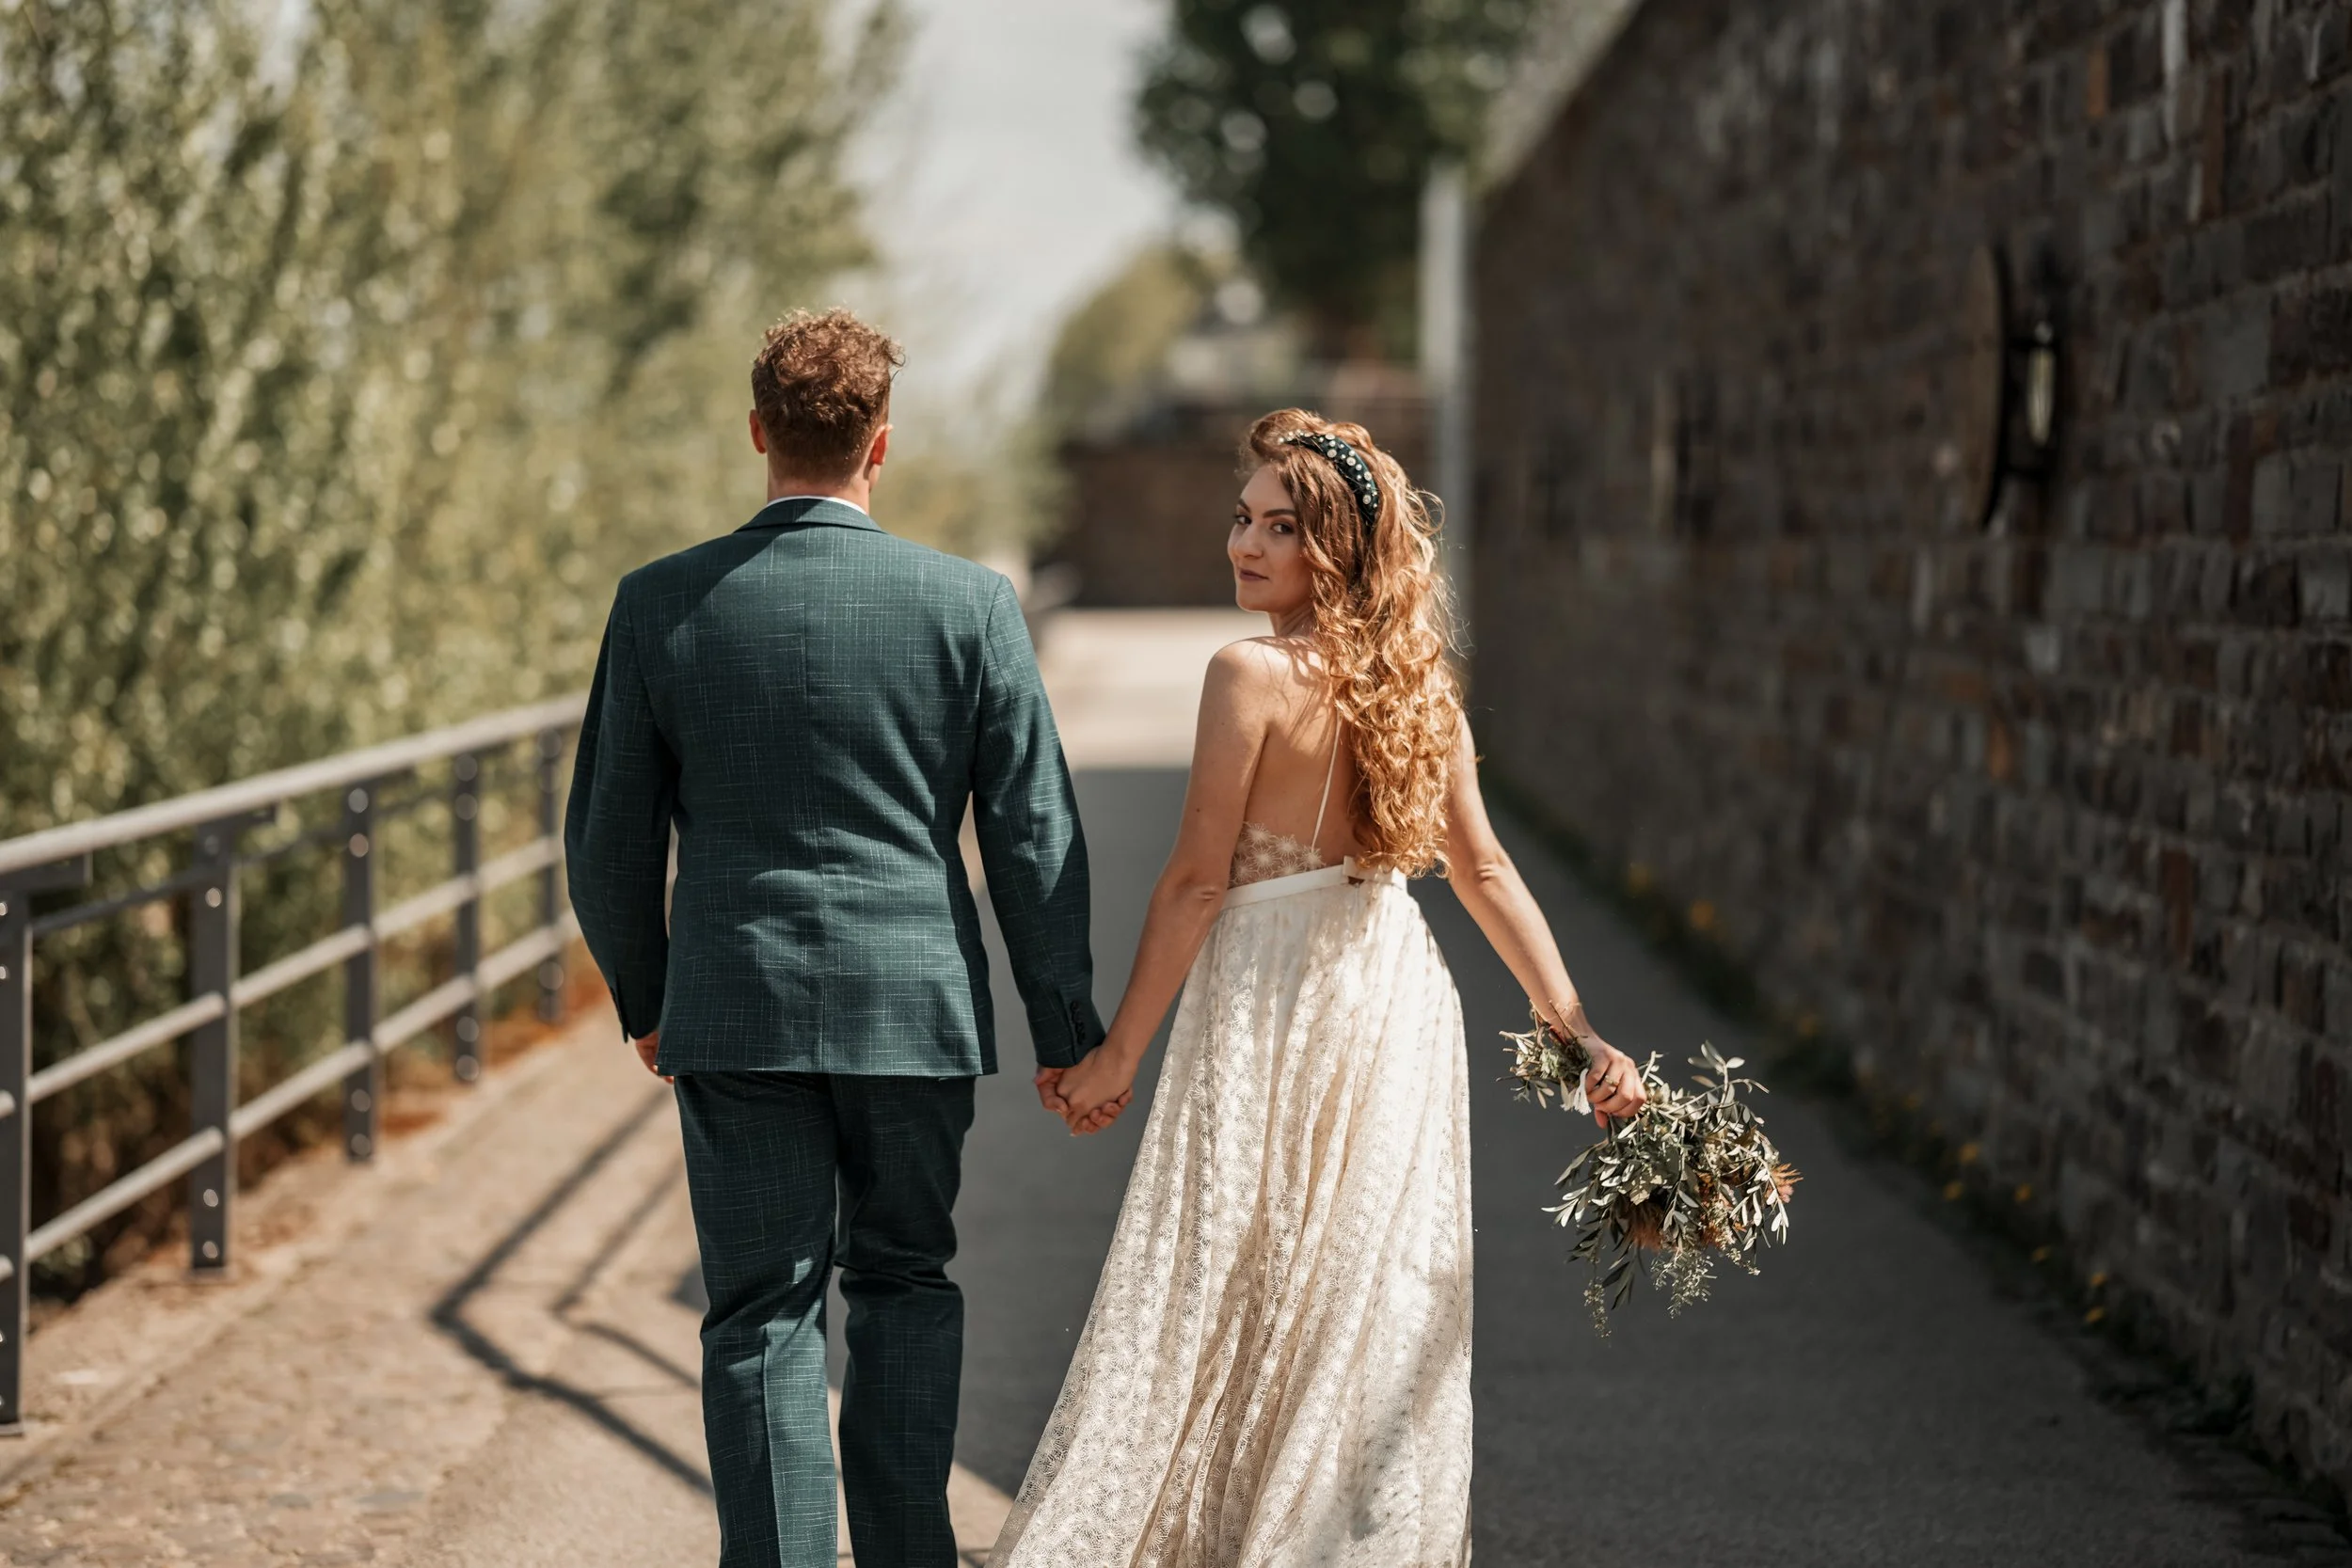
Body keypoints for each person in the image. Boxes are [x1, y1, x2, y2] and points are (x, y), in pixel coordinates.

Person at [991, 409, 1647, 1566]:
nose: (1244, 544)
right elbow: (1484, 872)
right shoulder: (1416, 684)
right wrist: (1581, 1031)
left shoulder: (1246, 673)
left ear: (1333, 546)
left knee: (1243, 1256)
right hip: (1388, 986)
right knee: (1354, 1274)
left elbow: (1196, 883)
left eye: (1278, 527)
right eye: (1241, 518)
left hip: (1271, 988)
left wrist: (1116, 1059)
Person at [563, 308, 1107, 1568]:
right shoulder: (970, 604)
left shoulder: (658, 605)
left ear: (758, 432)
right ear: (882, 446)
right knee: (907, 1280)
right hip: (915, 1012)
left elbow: (604, 840)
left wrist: (650, 998)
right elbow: (1037, 833)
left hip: (735, 1007)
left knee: (763, 1311)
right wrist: (1065, 1025)